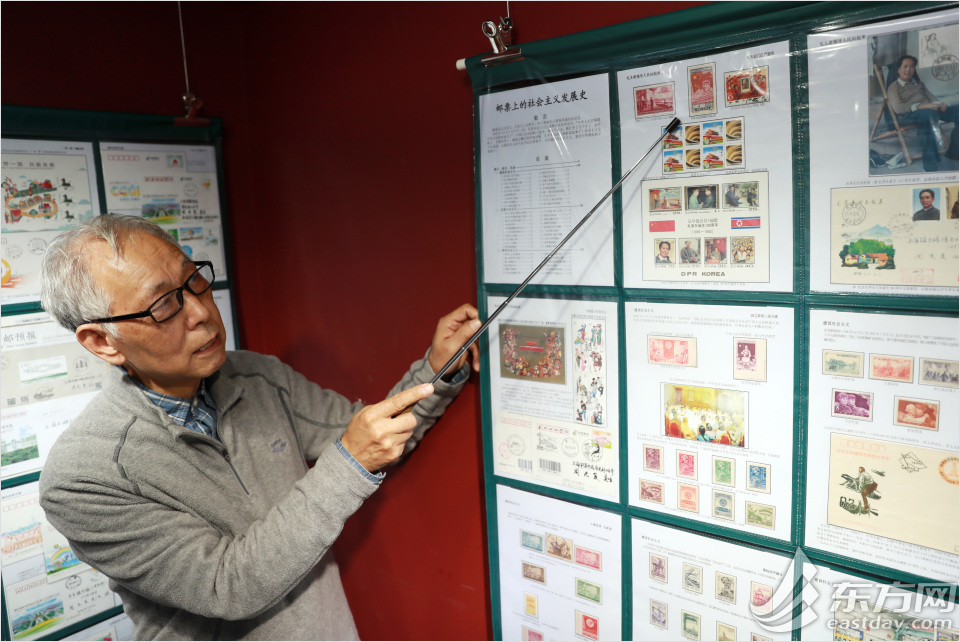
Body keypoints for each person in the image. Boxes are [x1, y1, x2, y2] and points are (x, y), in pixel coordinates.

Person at [36, 214, 480, 640]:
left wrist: (437, 368)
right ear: (102, 342)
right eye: (164, 305)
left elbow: (374, 435)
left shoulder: (257, 376)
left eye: (194, 280)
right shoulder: (82, 478)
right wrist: (350, 461)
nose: (201, 312)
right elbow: (226, 586)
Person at [886, 54, 959, 172]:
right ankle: (930, 165)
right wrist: (924, 106)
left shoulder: (919, 84)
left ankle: (954, 152)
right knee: (927, 115)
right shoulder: (894, 87)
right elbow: (898, 108)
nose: (908, 70)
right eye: (905, 66)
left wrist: (941, 104)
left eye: (911, 66)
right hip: (909, 115)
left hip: (930, 110)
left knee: (958, 110)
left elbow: (932, 98)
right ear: (898, 69)